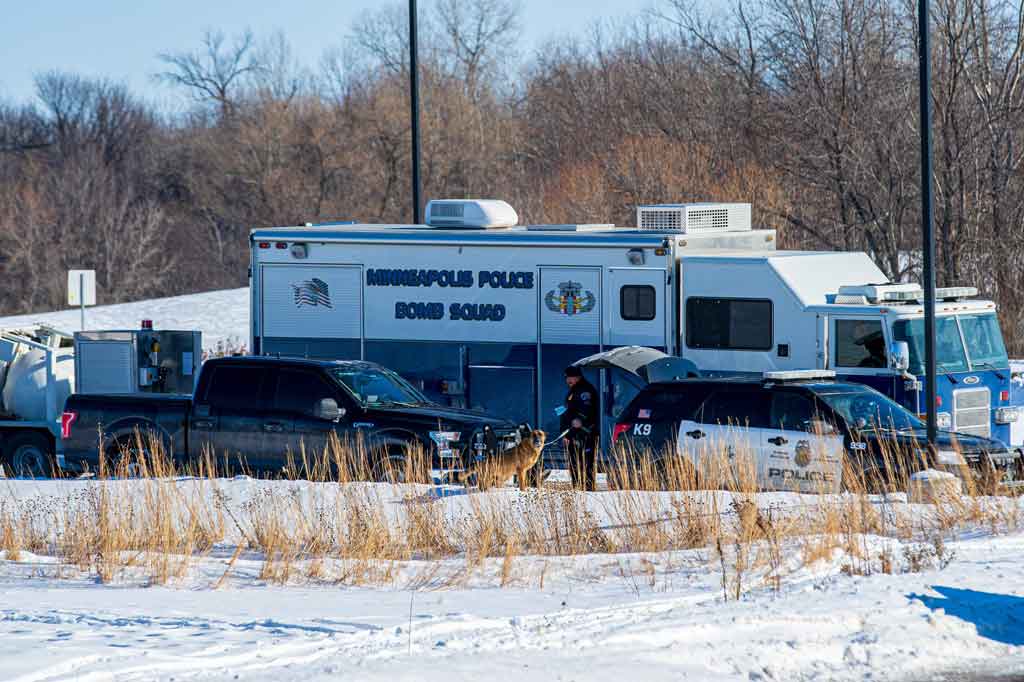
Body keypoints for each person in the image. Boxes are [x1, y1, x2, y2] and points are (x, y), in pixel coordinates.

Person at [561, 365, 598, 491]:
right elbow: (569, 410)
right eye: (567, 378)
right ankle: (577, 487)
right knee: (574, 463)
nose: (568, 381)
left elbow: (584, 413)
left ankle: (587, 489)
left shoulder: (584, 391)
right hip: (573, 433)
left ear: (578, 377)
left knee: (584, 463)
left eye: (571, 378)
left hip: (583, 434)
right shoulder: (574, 389)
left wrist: (576, 426)